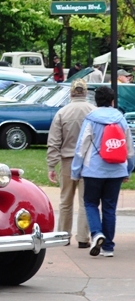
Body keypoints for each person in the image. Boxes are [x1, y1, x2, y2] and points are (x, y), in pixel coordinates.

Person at [71, 86, 135, 257]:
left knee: (91, 203)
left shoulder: (91, 119)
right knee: (109, 207)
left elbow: (81, 147)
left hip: (93, 170)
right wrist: (128, 169)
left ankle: (96, 233)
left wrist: (76, 171)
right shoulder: (120, 119)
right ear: (112, 101)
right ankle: (108, 247)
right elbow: (129, 147)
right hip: (116, 170)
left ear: (96, 101)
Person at [47, 79, 96, 248]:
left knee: (65, 200)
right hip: (89, 162)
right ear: (86, 92)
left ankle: (63, 235)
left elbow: (54, 141)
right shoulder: (93, 111)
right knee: (85, 201)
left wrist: (51, 165)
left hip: (67, 160)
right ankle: (83, 237)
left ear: (71, 93)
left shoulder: (63, 112)